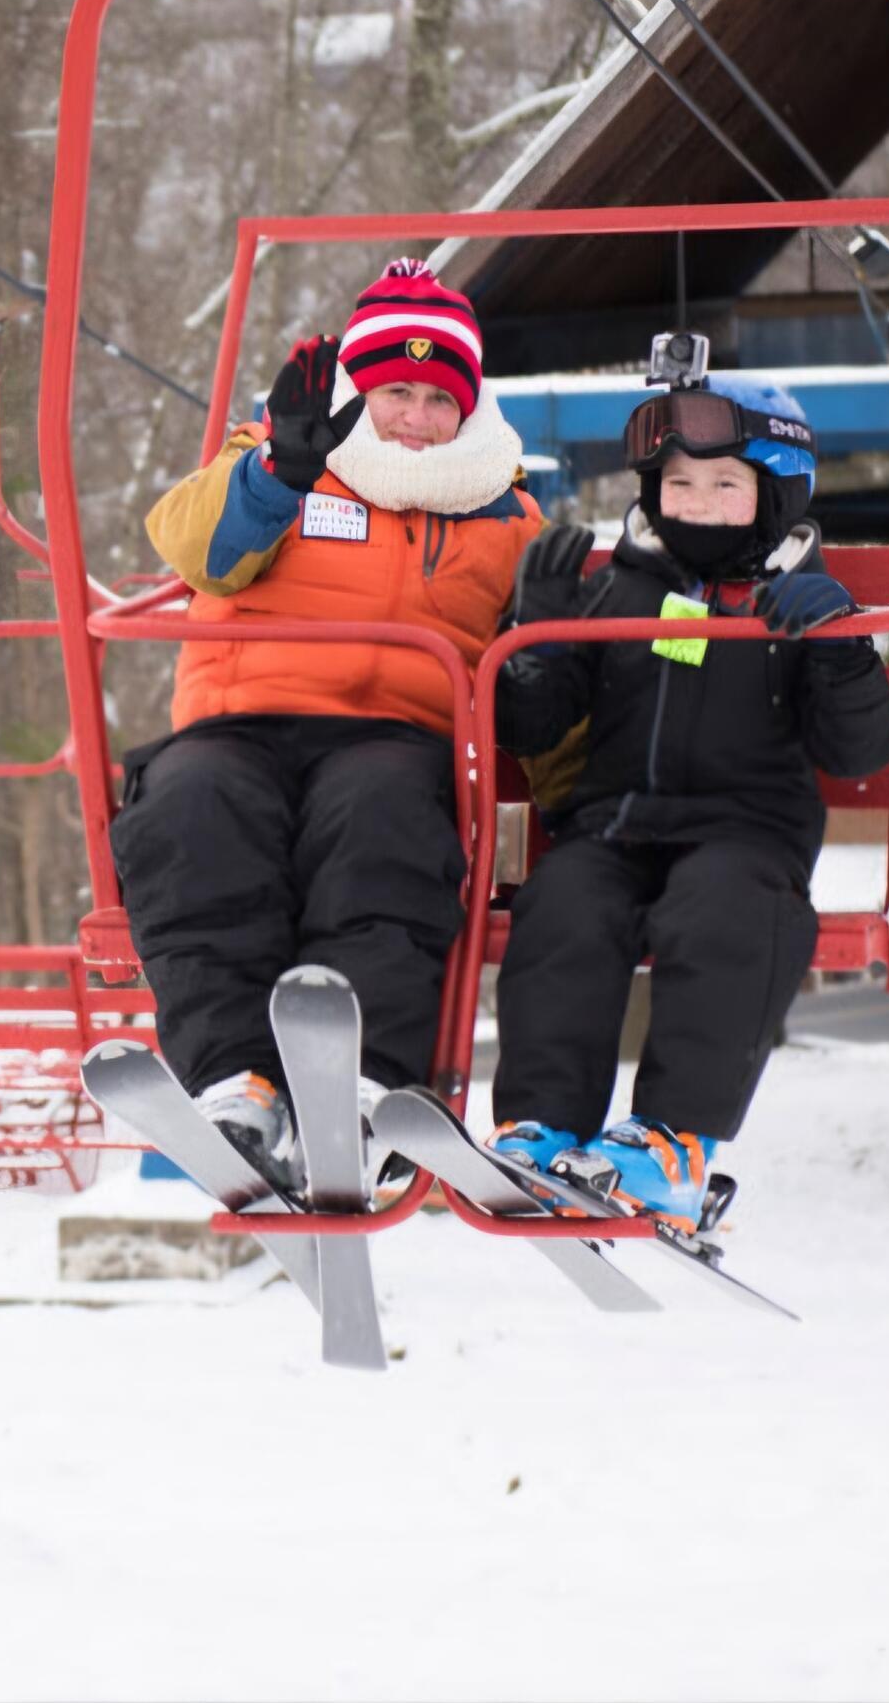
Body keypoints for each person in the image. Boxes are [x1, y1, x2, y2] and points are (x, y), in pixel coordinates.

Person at [112, 258, 537, 1183]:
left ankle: (364, 1080)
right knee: (190, 809)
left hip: (396, 734)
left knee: (381, 819)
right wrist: (276, 473)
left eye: (437, 399)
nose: (417, 420)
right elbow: (192, 544)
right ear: (357, 393)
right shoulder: (284, 456)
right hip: (240, 719)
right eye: (395, 394)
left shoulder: (503, 514)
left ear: (467, 409)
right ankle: (235, 1078)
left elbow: (545, 648)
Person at [486, 373, 889, 1229]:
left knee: (720, 916)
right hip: (615, 827)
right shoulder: (625, 587)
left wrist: (840, 646)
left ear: (773, 496)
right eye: (678, 484)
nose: (698, 504)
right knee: (564, 903)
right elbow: (534, 726)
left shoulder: (798, 603)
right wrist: (536, 636)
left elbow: (856, 753)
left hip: (745, 838)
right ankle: (542, 1125)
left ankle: (670, 1142)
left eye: (724, 486)